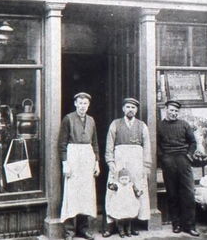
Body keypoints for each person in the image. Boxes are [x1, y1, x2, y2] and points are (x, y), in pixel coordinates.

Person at [103, 98, 151, 237]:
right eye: (128, 107)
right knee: (114, 190)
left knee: (135, 190)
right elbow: (109, 145)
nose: (131, 109)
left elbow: (147, 147)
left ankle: (132, 223)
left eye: (133, 107)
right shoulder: (115, 124)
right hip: (119, 160)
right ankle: (110, 224)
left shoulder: (142, 126)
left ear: (136, 110)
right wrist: (110, 162)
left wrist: (146, 166)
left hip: (137, 160)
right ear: (123, 109)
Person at [59, 92, 101, 240]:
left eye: (85, 103)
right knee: (72, 194)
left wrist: (97, 162)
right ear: (75, 104)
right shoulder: (68, 119)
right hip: (73, 156)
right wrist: (65, 164)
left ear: (88, 105)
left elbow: (95, 143)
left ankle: (83, 229)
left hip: (87, 157)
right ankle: (69, 231)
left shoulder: (91, 120)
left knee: (85, 195)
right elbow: (62, 144)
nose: (83, 106)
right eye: (80, 103)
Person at [157, 100, 201, 237]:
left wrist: (188, 156)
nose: (173, 113)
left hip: (183, 159)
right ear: (166, 110)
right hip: (168, 160)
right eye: (171, 110)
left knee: (188, 193)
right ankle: (176, 224)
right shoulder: (159, 125)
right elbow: (157, 145)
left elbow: (193, 142)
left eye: (176, 111)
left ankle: (189, 226)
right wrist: (163, 158)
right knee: (172, 193)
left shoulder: (184, 125)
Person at [105, 168, 143, 238]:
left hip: (128, 205)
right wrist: (110, 184)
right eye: (122, 179)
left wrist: (138, 192)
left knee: (128, 219)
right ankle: (121, 231)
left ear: (129, 179)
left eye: (126, 179)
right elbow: (111, 187)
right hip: (120, 205)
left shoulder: (131, 185)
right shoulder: (118, 185)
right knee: (120, 220)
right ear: (119, 179)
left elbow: (136, 191)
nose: (124, 181)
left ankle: (128, 231)